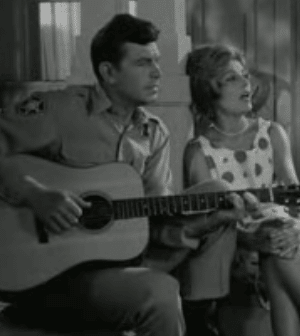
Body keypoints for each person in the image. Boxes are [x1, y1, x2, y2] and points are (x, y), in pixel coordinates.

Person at [0, 14, 254, 336]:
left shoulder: (154, 133)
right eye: (143, 63)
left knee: (217, 193)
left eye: (158, 61)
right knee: (157, 292)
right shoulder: (60, 110)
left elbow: (151, 219)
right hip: (50, 273)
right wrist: (36, 194)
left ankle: (200, 319)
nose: (157, 72)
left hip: (120, 261)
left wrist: (210, 221)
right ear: (108, 72)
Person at [183, 43, 300, 336]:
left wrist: (297, 227)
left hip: (288, 232)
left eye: (245, 75)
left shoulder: (272, 133)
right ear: (208, 88)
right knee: (274, 247)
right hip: (238, 245)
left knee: (278, 241)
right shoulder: (199, 151)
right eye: (232, 78)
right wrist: (252, 239)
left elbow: (297, 197)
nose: (246, 83)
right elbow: (208, 227)